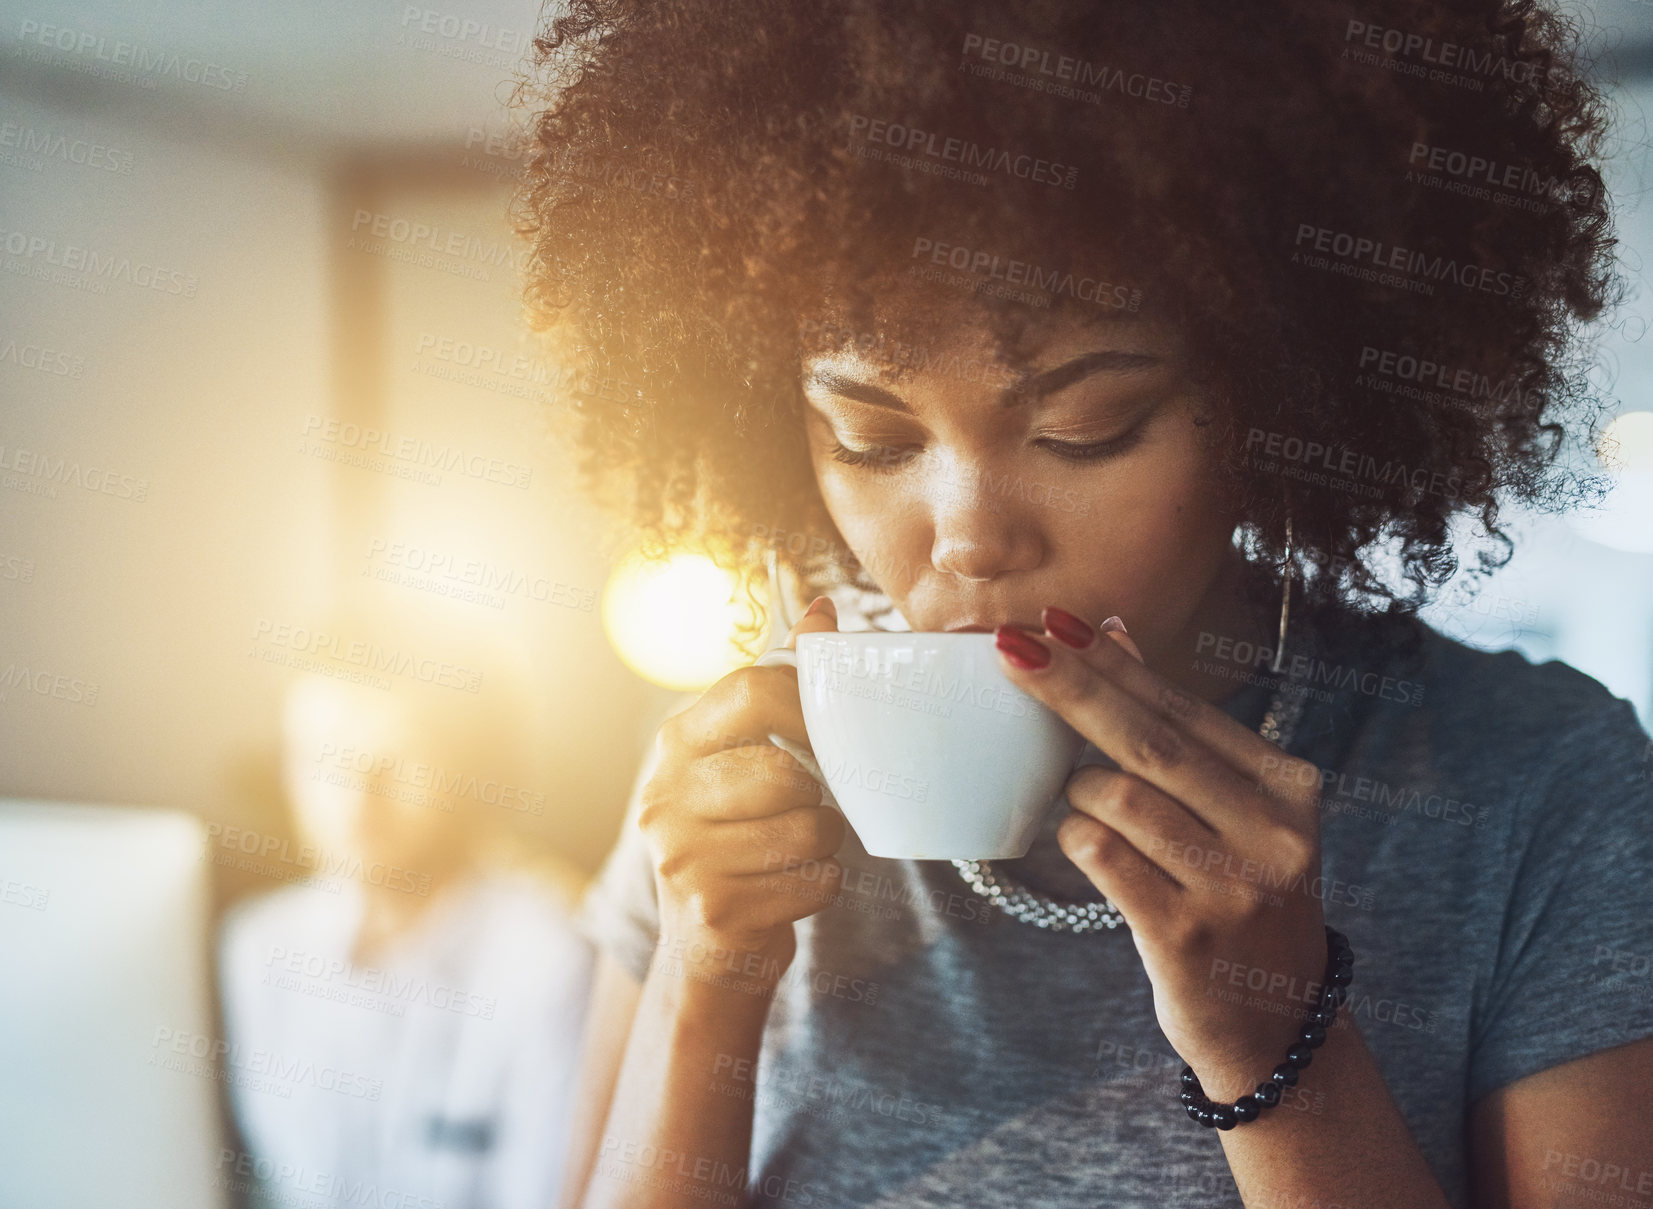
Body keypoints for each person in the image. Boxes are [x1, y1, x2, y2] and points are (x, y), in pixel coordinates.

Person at [509, 2, 1653, 1206]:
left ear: (1280, 400)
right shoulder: (730, 792)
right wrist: (708, 973)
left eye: (1083, 429)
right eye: (871, 437)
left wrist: (1277, 1050)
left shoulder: (1543, 790)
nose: (966, 536)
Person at [218, 669, 593, 1209]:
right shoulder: (257, 946)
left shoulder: (546, 954)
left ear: (465, 768)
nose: (357, 799)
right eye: (326, 757)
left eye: (396, 762)